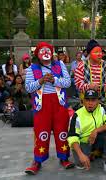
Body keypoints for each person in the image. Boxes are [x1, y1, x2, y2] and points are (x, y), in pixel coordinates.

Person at [24, 42, 74, 175]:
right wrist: (40, 81)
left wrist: (54, 80)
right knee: (41, 132)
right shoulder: (31, 69)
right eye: (42, 50)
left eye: (48, 50)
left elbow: (68, 82)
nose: (46, 53)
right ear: (37, 54)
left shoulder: (60, 65)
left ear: (52, 53)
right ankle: (37, 160)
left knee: (62, 131)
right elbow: (28, 88)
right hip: (42, 105)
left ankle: (64, 157)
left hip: (59, 103)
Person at [67, 89, 106, 175]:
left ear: (98, 101)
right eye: (87, 100)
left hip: (97, 139)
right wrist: (81, 155)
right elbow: (72, 138)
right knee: (81, 164)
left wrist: (96, 131)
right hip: (84, 143)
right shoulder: (77, 115)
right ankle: (90, 154)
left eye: (93, 100)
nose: (90, 103)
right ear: (83, 101)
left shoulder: (102, 109)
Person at [74, 40, 106, 115]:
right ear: (89, 54)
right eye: (96, 52)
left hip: (103, 102)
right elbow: (78, 83)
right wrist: (88, 86)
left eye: (100, 52)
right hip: (87, 102)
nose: (99, 54)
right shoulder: (81, 65)